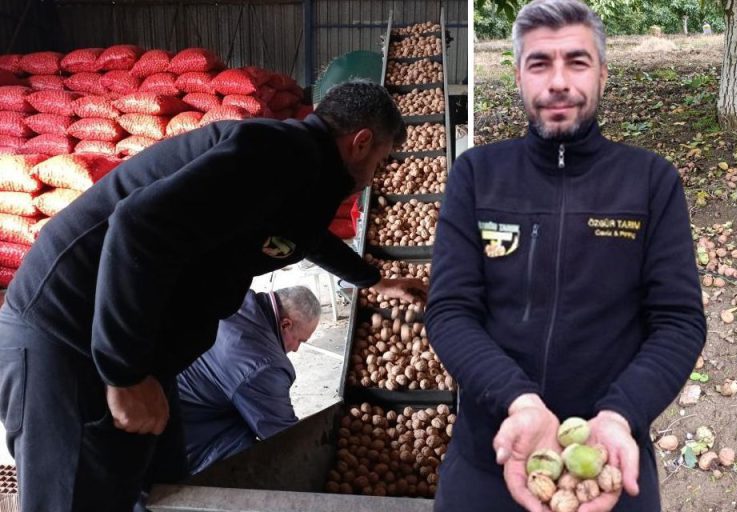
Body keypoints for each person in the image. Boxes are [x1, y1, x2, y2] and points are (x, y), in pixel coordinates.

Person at [0, 80, 425, 511]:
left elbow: (301, 236)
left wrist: (373, 280)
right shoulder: (274, 154)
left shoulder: (305, 177)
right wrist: (123, 373)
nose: (377, 174)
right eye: (381, 159)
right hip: (66, 338)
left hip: (135, 349)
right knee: (74, 498)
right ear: (361, 141)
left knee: (161, 490)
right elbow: (137, 226)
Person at [424, 1, 707, 511]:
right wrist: (519, 400)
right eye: (539, 63)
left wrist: (622, 414)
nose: (558, 82)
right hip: (490, 453)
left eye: (576, 62)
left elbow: (679, 321)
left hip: (607, 461)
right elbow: (450, 312)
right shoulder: (476, 176)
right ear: (518, 76)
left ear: (602, 72)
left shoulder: (650, 181)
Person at [177, 285, 320, 475]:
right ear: (286, 324)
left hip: (178, 388)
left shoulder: (241, 297)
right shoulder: (263, 366)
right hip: (187, 434)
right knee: (254, 455)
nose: (296, 349)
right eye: (300, 340)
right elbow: (283, 436)